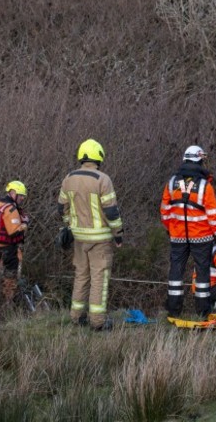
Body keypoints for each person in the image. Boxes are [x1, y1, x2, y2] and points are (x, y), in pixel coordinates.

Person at [58, 139, 123, 331]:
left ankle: (76, 317)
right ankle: (98, 321)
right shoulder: (103, 179)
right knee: (99, 279)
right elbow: (111, 212)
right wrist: (118, 233)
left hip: (79, 239)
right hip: (100, 240)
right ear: (99, 156)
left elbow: (61, 208)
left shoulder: (68, 178)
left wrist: (70, 225)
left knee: (81, 276)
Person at [161, 145, 216, 318]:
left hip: (178, 236)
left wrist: (170, 228)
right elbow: (213, 213)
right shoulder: (204, 186)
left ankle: (173, 310)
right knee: (203, 272)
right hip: (202, 237)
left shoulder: (172, 183)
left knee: (175, 271)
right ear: (200, 160)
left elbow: (165, 210)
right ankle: (203, 311)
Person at [0, 180, 29, 304]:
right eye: (20, 195)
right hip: (8, 250)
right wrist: (25, 223)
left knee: (0, 277)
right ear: (12, 192)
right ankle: (8, 305)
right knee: (10, 279)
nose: (22, 198)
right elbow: (14, 231)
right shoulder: (11, 209)